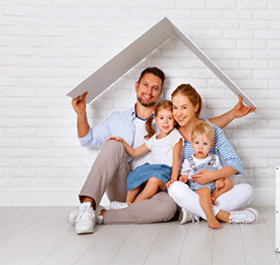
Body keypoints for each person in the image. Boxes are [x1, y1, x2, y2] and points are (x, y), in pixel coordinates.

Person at [69, 67, 255, 234]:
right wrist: (81, 113)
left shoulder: (180, 125)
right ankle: (87, 206)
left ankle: (101, 215)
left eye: (155, 88)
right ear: (136, 86)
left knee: (169, 209)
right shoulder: (136, 122)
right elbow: (88, 139)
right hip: (132, 185)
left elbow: (204, 128)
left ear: (160, 94)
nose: (149, 91)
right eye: (146, 85)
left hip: (164, 189)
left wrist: (232, 115)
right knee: (115, 145)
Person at [167, 84, 258, 226]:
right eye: (175, 107)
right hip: (189, 192)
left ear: (195, 107)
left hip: (213, 192)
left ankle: (195, 213)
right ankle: (222, 215)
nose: (178, 113)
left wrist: (212, 176)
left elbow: (235, 163)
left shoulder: (212, 131)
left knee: (247, 190)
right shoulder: (172, 133)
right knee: (174, 188)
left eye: (184, 107)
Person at [107, 100, 182, 210]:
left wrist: (173, 179)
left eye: (169, 118)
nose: (165, 122)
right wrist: (122, 141)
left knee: (153, 180)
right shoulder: (154, 138)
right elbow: (134, 153)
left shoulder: (175, 137)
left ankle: (132, 206)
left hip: (165, 171)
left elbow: (176, 160)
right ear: (155, 120)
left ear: (175, 121)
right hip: (152, 168)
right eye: (162, 118)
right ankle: (126, 203)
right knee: (135, 174)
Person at [179, 121, 233, 229]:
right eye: (197, 143)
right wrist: (183, 178)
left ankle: (210, 199)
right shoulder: (189, 161)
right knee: (205, 191)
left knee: (228, 182)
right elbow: (183, 175)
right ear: (192, 143)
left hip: (213, 188)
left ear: (211, 145)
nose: (200, 147)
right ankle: (210, 216)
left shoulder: (214, 159)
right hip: (199, 189)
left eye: (205, 144)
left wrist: (220, 180)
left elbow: (220, 172)